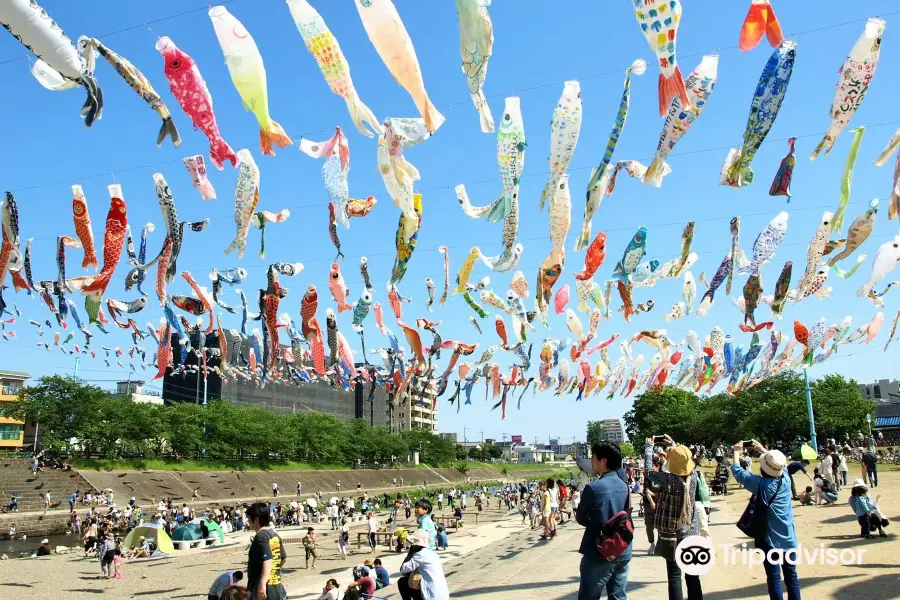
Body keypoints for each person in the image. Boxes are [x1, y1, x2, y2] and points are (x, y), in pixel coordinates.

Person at [732, 441, 800, 600]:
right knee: (792, 577)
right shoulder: (786, 479)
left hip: (769, 539)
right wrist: (764, 451)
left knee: (774, 578)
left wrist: (736, 452)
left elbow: (738, 472)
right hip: (789, 537)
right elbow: (781, 467)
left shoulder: (761, 484)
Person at [644, 436, 702, 600]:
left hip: (671, 533)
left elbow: (648, 472)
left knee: (674, 576)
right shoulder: (694, 477)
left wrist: (649, 447)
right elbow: (685, 461)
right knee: (693, 576)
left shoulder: (667, 479)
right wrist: (675, 446)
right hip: (691, 532)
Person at [575, 440, 631, 600]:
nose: (591, 461)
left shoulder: (594, 488)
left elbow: (581, 518)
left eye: (593, 457)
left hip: (599, 551)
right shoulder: (624, 485)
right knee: (618, 595)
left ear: (603, 461)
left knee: (589, 596)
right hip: (622, 548)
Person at [246, 502, 288, 600]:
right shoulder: (273, 534)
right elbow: (283, 558)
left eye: (248, 518)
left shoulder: (261, 537)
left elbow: (267, 560)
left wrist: (262, 584)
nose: (247, 522)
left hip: (264, 591)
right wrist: (274, 571)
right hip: (277, 587)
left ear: (256, 519)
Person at [398, 529, 449, 600]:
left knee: (402, 582)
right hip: (442, 595)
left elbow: (403, 569)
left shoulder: (420, 555)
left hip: (431, 596)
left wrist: (411, 552)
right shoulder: (432, 554)